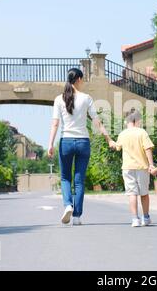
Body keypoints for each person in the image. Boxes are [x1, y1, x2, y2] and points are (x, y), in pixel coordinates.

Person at [48, 68, 114, 225]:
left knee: (65, 178)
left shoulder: (59, 99)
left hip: (66, 142)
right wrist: (109, 139)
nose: (83, 82)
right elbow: (96, 121)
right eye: (83, 79)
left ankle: (68, 205)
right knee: (79, 181)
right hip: (83, 142)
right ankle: (77, 217)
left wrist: (50, 143)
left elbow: (55, 124)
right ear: (78, 79)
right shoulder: (87, 98)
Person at [110, 110, 154, 227]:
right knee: (144, 193)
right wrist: (151, 164)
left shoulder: (122, 134)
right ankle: (146, 217)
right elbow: (148, 148)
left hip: (127, 168)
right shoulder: (142, 132)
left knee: (132, 194)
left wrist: (112, 143)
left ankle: (135, 219)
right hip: (142, 167)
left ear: (126, 121)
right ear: (137, 120)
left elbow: (117, 147)